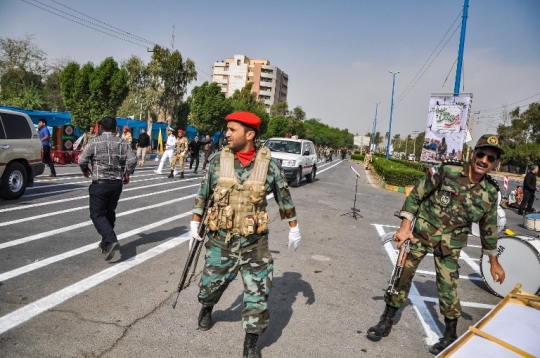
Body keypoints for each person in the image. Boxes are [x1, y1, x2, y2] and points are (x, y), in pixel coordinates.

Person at [367, 134, 506, 355]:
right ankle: (386, 320)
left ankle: (450, 335)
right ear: (473, 154)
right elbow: (416, 196)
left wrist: (493, 262)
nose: (484, 160)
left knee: (449, 288)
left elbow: (489, 229)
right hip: (420, 234)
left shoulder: (490, 192)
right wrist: (405, 227)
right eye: (481, 154)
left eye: (491, 158)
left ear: (495, 163)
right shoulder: (447, 171)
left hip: (451, 245)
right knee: (402, 275)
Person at [189, 112, 301, 358]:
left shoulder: (269, 165)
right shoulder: (218, 160)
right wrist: (195, 223)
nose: (226, 134)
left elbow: (284, 197)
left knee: (258, 297)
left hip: (255, 245)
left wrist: (294, 226)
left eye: (232, 130)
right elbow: (204, 192)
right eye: (227, 129)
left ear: (249, 135)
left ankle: (250, 345)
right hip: (221, 242)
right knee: (209, 288)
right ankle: (207, 307)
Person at [78, 117, 137, 261]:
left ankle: (110, 239)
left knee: (97, 214)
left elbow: (82, 160)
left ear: (100, 128)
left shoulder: (93, 142)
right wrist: (127, 173)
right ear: (116, 128)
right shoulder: (122, 143)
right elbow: (132, 160)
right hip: (116, 184)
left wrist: (85, 170)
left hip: (100, 183)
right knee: (109, 212)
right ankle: (106, 244)